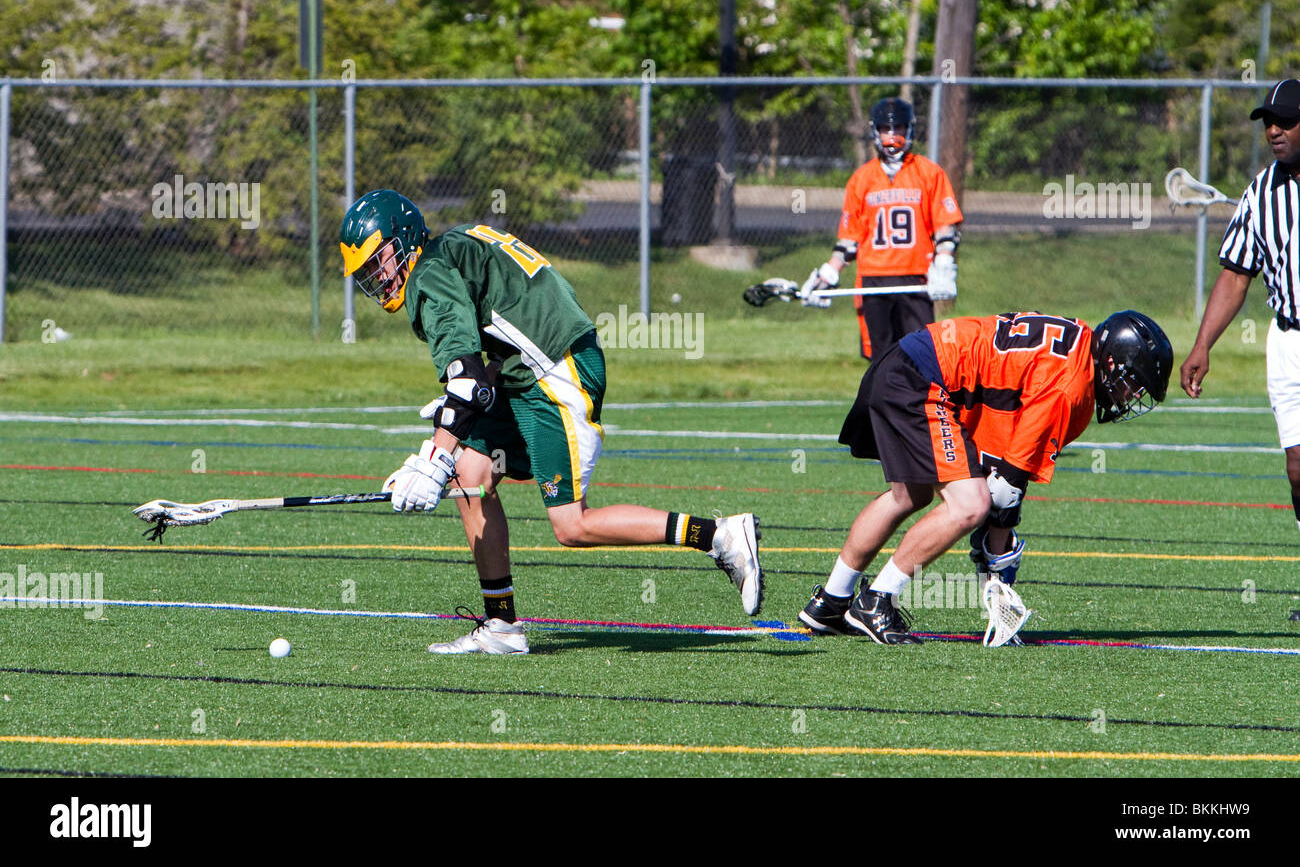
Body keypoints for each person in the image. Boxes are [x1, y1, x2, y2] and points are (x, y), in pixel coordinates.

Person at [339, 189, 762, 654]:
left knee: (571, 525)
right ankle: (501, 625)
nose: (375, 277)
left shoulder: (429, 274)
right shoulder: (455, 247)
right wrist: (450, 432)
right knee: (471, 474)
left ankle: (718, 535)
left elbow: (468, 384)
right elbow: (506, 333)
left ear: (406, 241)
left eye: (379, 260)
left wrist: (433, 457)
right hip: (533, 369)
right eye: (366, 271)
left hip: (555, 374)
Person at [798, 310, 1172, 644]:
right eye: (1130, 381)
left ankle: (831, 601)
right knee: (969, 506)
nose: (1129, 395)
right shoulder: (1070, 386)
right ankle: (877, 599)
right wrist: (998, 568)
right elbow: (1008, 483)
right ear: (1110, 361)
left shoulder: (1077, 347)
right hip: (921, 380)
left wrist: (995, 548)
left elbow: (1002, 463)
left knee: (909, 495)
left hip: (905, 364)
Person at [1182, 78, 1300, 556]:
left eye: (1286, 121)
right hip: (1288, 340)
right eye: (1268, 122)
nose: (1274, 130)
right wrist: (1202, 345)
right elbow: (1236, 275)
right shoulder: (1262, 190)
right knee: (1297, 468)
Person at [800, 97, 963, 361]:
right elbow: (850, 238)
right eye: (887, 129)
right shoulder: (861, 179)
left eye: (898, 128)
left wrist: (944, 261)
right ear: (875, 131)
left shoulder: (928, 173)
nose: (893, 135)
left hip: (915, 277)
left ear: (909, 130)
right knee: (881, 361)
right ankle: (885, 404)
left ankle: (920, 403)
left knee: (923, 358)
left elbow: (945, 225)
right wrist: (828, 273)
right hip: (873, 279)